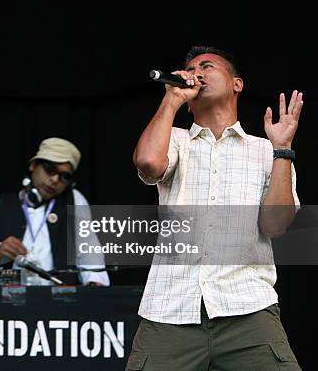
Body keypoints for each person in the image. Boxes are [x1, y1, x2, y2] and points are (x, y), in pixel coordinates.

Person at [127, 46, 303, 370]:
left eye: (207, 66)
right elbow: (148, 162)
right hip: (171, 309)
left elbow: (276, 225)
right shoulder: (176, 140)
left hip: (248, 309)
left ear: (237, 83)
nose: (197, 73)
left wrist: (283, 150)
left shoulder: (267, 151)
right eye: (191, 68)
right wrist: (172, 98)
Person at [0, 137, 110, 286]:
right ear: (33, 165)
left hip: (58, 306)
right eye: (50, 169)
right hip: (4, 305)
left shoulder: (75, 202)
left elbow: (89, 253)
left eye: (64, 176)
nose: (55, 180)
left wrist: (95, 283)